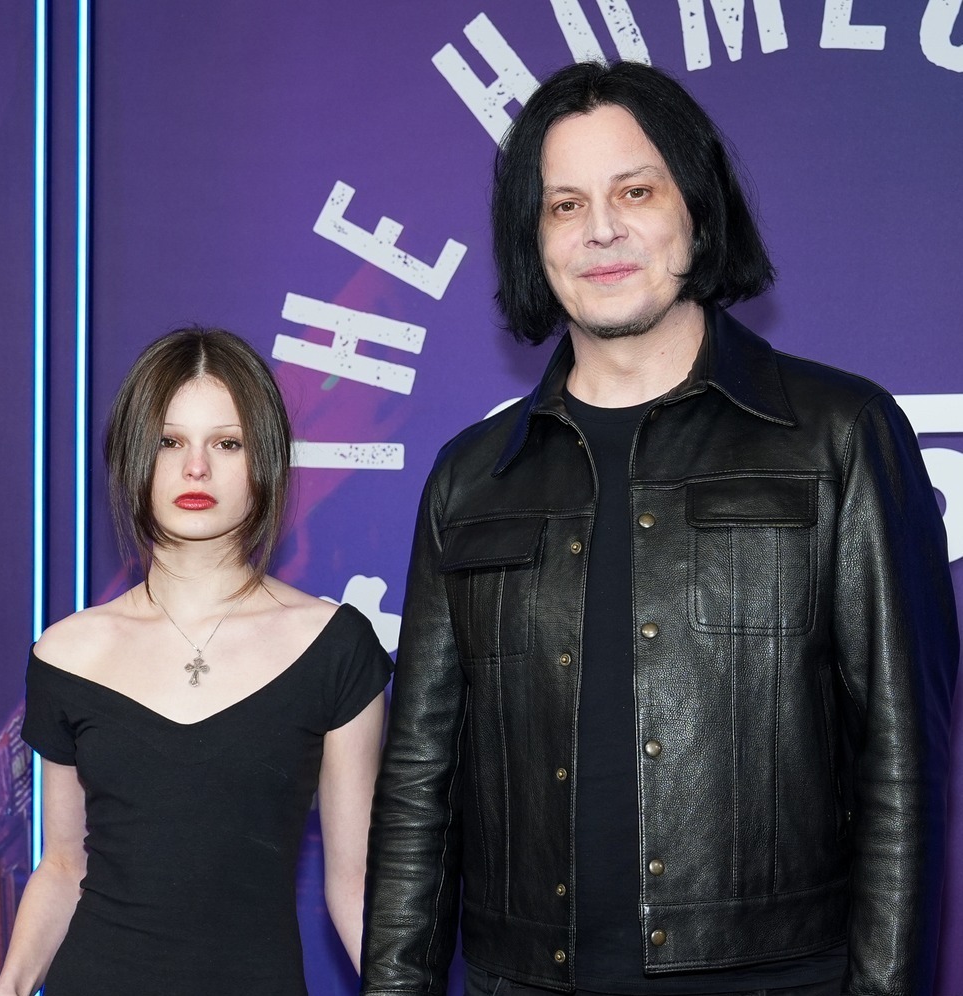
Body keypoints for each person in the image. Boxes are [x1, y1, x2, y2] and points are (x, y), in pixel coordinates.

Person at [361, 61, 959, 996]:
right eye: (565, 205)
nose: (601, 229)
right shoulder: (470, 479)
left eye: (635, 191)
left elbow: (901, 761)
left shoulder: (840, 434)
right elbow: (417, 789)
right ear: (533, 241)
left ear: (699, 211)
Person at [0, 328, 392, 996]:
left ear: (264, 460)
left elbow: (353, 883)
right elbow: (63, 866)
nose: (196, 468)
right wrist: (8, 989)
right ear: (132, 457)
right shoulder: (66, 653)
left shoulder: (335, 647)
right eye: (168, 442)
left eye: (227, 443)